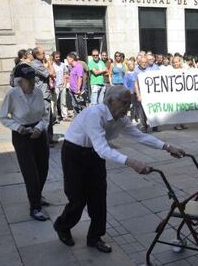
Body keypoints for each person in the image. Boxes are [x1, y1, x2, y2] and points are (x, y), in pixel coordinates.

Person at [53, 85, 185, 252]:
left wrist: (167, 146)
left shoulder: (121, 118)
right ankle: (62, 226)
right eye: (124, 102)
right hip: (75, 153)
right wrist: (130, 162)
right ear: (110, 101)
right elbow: (103, 148)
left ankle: (95, 237)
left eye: (129, 103)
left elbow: (139, 136)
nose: (127, 108)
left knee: (98, 197)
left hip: (95, 154)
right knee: (77, 198)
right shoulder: (95, 114)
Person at [0, 64, 50, 221]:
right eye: (29, 81)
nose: (32, 83)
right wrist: (16, 127)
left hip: (39, 133)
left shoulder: (38, 92)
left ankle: (37, 195)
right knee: (30, 172)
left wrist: (40, 128)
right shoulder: (13, 94)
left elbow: (45, 114)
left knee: (43, 168)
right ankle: (35, 207)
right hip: (22, 135)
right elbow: (3, 116)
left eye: (33, 80)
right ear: (20, 81)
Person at [31, 47, 56, 145]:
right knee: (45, 119)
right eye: (43, 53)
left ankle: (49, 138)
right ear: (37, 55)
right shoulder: (37, 65)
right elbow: (52, 74)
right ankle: (44, 141)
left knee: (49, 117)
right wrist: (50, 62)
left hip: (45, 94)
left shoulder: (38, 64)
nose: (45, 55)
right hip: (42, 95)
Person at [51, 51, 70, 121]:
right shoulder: (52, 65)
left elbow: (66, 73)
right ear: (53, 57)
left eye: (59, 57)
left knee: (63, 102)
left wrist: (65, 83)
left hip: (62, 85)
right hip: (55, 86)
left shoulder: (62, 64)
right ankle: (55, 117)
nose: (58, 58)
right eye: (56, 57)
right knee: (54, 102)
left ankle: (65, 116)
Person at [171, 56, 188, 130]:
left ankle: (183, 123)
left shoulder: (184, 70)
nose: (175, 64)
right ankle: (177, 124)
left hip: (183, 93)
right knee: (176, 109)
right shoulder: (170, 72)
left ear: (180, 62)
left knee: (183, 109)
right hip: (175, 94)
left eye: (176, 62)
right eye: (174, 62)